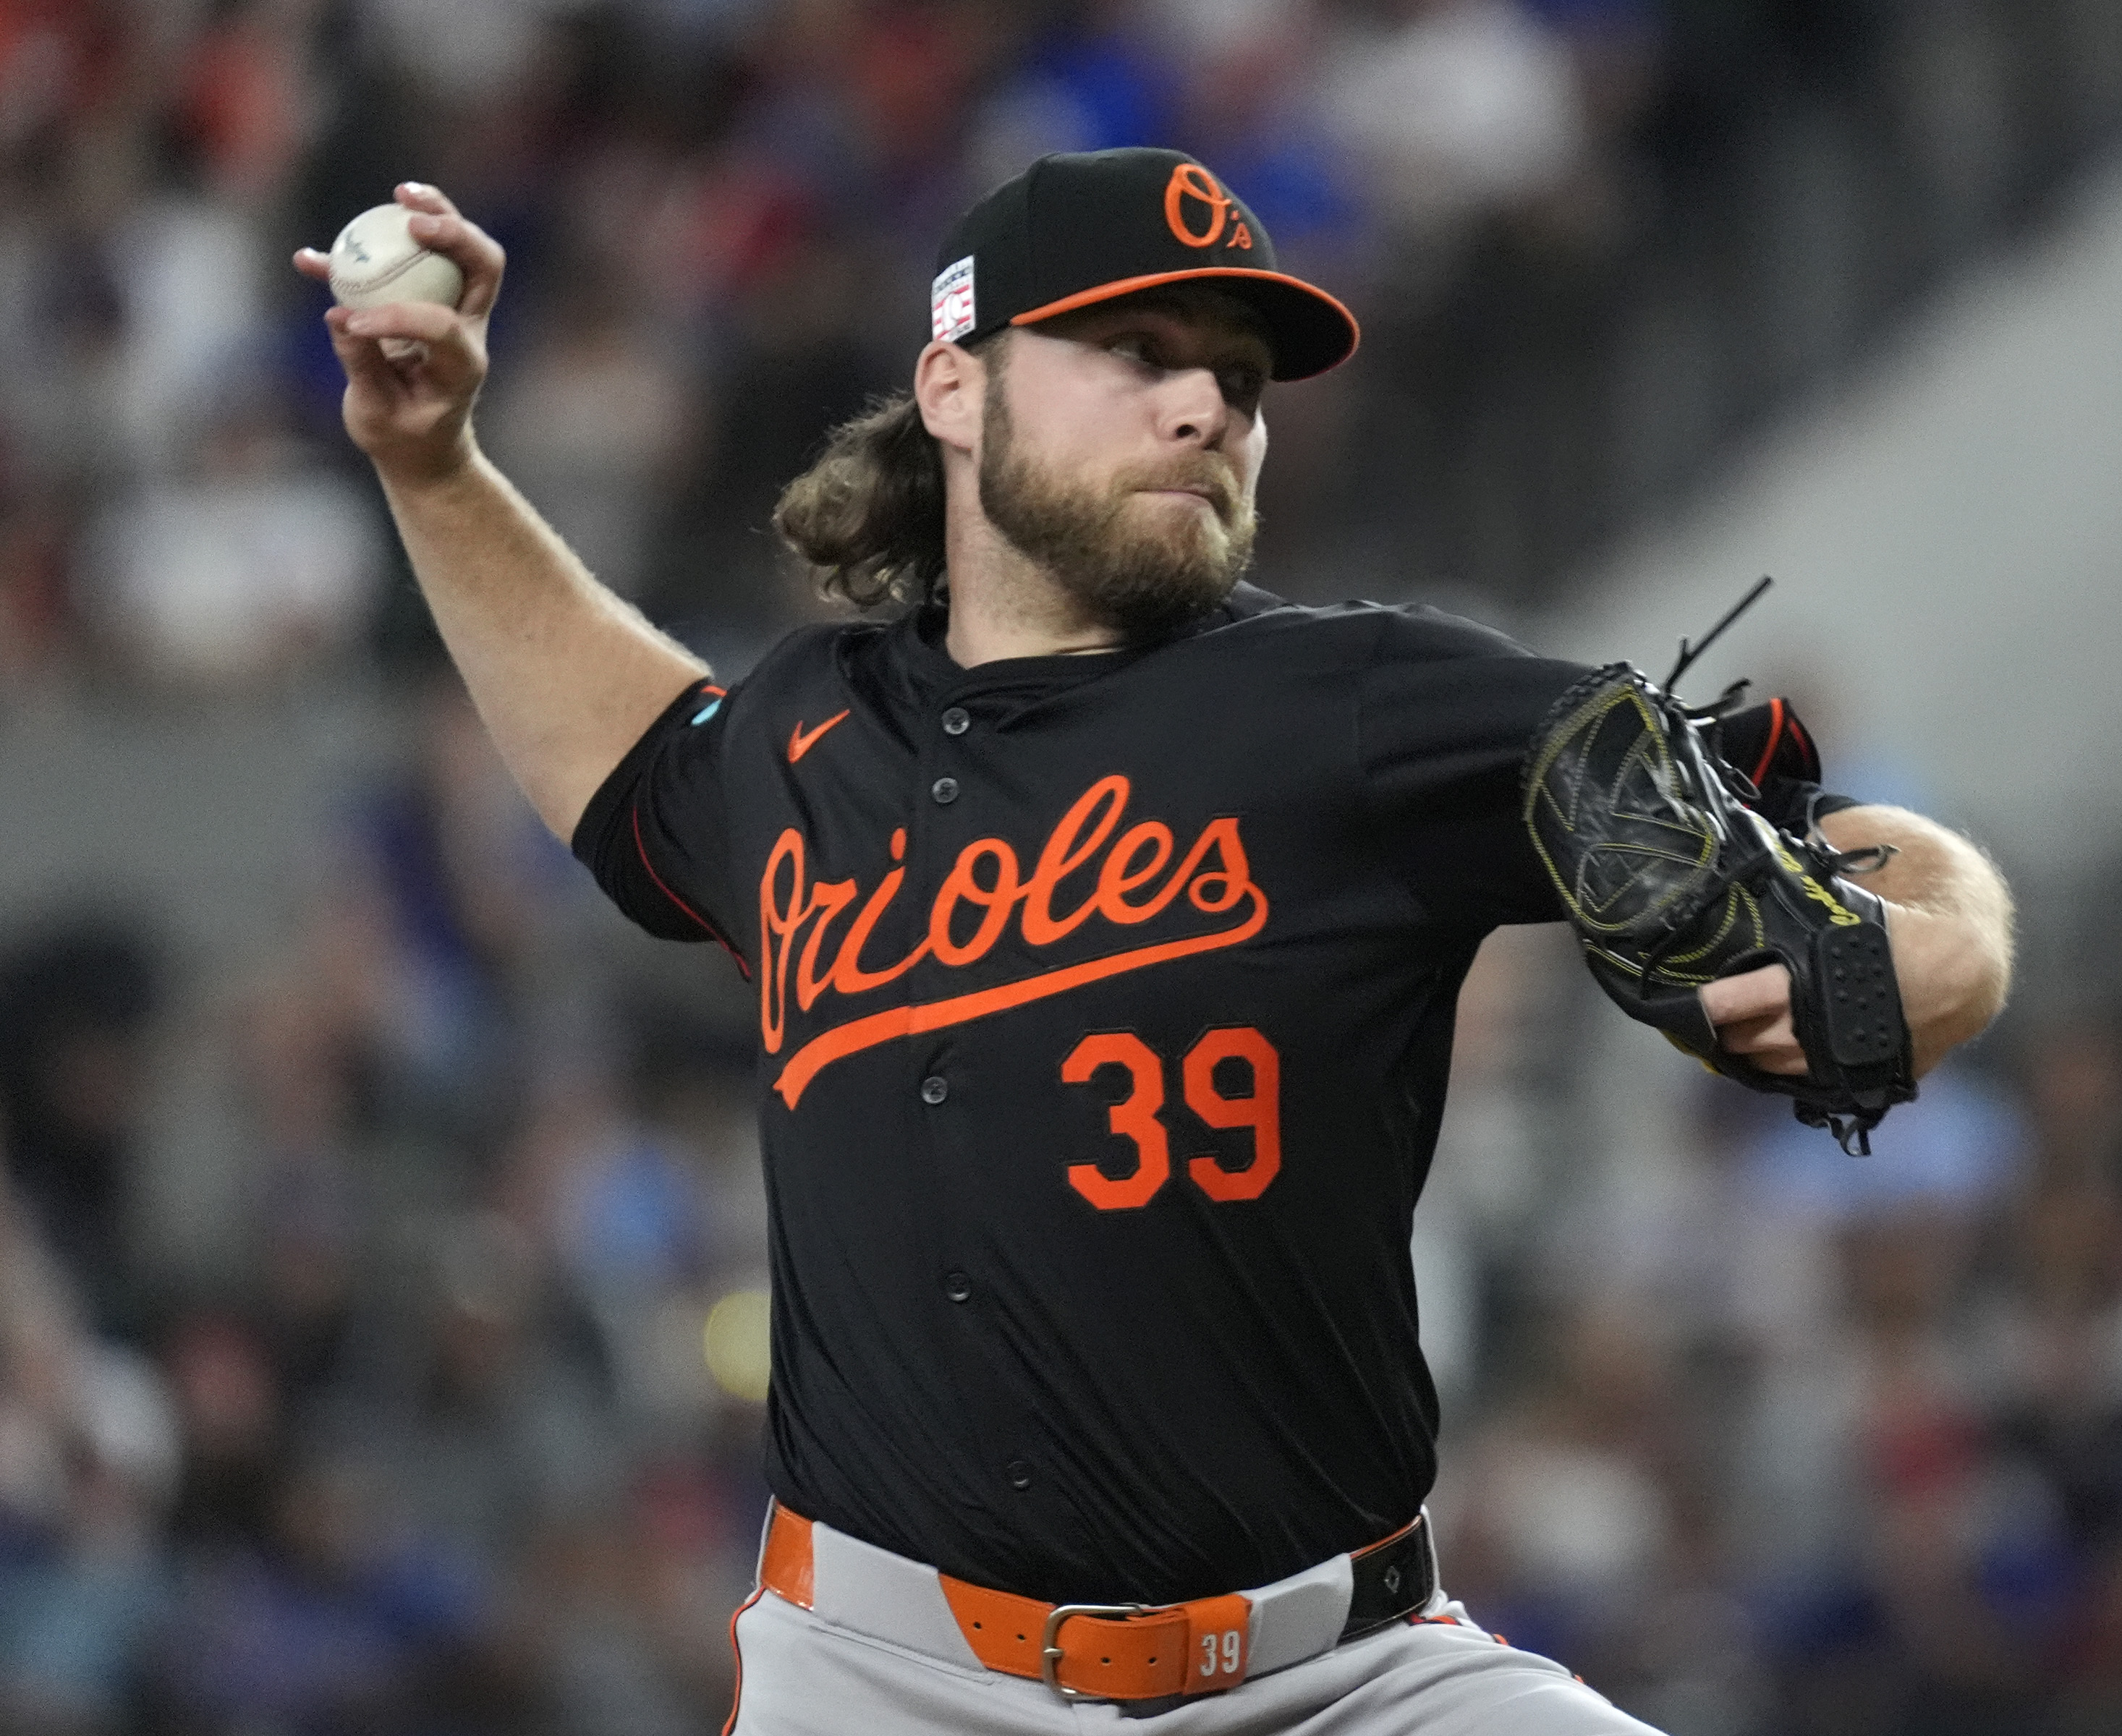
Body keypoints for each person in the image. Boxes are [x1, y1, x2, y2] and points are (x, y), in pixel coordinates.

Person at [294, 148, 2013, 1735]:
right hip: (886, 1681)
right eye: (1138, 351)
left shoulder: (1356, 705)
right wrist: (434, 469)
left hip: (1337, 1679)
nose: (1207, 408)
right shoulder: (804, 740)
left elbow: (1802, 831)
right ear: (954, 387)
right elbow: (622, 750)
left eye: (1243, 384)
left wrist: (1952, 930)